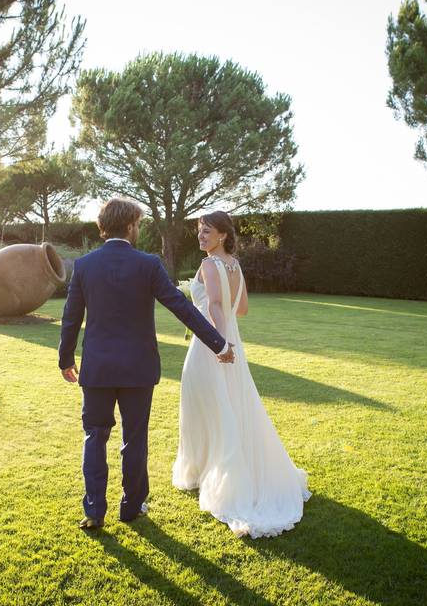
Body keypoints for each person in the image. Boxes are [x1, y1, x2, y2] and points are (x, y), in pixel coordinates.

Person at [58, 197, 235, 529]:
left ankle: (94, 511)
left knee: (95, 436)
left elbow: (71, 318)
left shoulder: (84, 266)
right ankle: (132, 507)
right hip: (138, 369)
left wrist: (65, 358)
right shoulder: (148, 264)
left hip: (97, 368)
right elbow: (182, 308)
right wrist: (218, 343)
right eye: (138, 224)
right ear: (129, 227)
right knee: (134, 439)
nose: (138, 229)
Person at [173, 210, 311, 538]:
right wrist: (221, 327)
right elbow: (243, 308)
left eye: (207, 231)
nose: (201, 236)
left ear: (222, 234)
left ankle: (205, 473)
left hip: (212, 347)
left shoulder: (209, 265)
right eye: (199, 231)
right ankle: (213, 467)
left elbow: (219, 306)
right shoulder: (235, 264)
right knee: (229, 405)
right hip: (233, 344)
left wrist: (219, 343)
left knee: (204, 406)